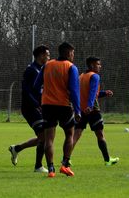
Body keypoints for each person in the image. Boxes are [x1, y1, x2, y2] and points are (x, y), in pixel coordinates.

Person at [37, 42, 82, 177]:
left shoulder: (47, 65)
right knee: (69, 134)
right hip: (63, 106)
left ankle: (51, 169)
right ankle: (64, 165)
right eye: (73, 53)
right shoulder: (71, 67)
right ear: (68, 53)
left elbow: (36, 85)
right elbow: (74, 91)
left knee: (49, 138)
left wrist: (43, 98)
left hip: (47, 106)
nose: (73, 55)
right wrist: (78, 110)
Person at [9, 45, 53, 172]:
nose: (49, 57)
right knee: (44, 137)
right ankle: (38, 166)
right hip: (30, 108)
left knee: (43, 137)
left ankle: (16, 149)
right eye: (47, 55)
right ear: (41, 55)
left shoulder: (43, 69)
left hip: (40, 107)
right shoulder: (31, 70)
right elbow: (26, 91)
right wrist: (36, 104)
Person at [72, 56, 119, 166]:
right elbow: (92, 93)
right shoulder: (95, 76)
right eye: (98, 64)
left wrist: (104, 93)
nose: (100, 66)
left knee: (76, 135)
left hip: (81, 110)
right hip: (93, 110)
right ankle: (107, 160)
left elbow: (85, 93)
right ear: (92, 65)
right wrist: (90, 105)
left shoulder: (81, 76)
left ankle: (66, 159)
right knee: (100, 135)